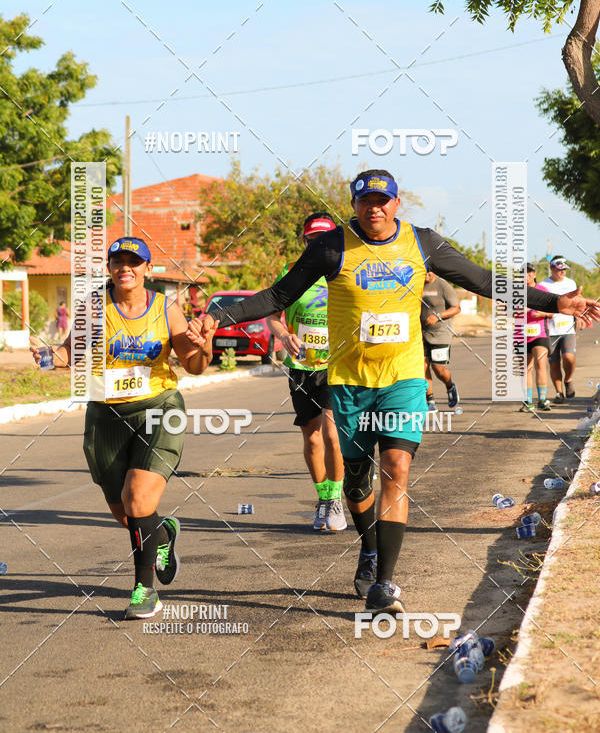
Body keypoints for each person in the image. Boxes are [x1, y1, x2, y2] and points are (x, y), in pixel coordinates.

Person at [187, 170, 599, 616]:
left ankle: (385, 583)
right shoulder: (330, 248)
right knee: (356, 481)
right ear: (355, 205)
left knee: (396, 468)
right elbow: (277, 296)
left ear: (397, 204)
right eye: (365, 201)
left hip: (403, 377)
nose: (374, 208)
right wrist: (219, 316)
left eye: (383, 200)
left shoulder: (422, 243)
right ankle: (369, 546)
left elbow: (482, 280)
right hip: (348, 380)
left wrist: (553, 302)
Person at [31, 237, 214, 620]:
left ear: (148, 269)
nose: (125, 268)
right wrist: (48, 356)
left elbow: (194, 365)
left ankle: (144, 590)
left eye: (134, 262)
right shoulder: (94, 308)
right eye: (118, 261)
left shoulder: (167, 309)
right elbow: (69, 353)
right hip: (106, 418)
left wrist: (205, 347)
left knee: (138, 501)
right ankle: (162, 534)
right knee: (125, 513)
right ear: (110, 267)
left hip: (159, 410)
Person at [266, 212, 346, 533]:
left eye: (324, 239)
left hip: (336, 365)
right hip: (300, 367)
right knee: (312, 438)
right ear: (304, 242)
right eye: (312, 240)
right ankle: (323, 499)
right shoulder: (291, 273)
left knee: (331, 433)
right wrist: (284, 335)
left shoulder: (344, 271)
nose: (318, 245)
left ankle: (337, 499)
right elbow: (272, 315)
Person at [420, 271, 461, 411]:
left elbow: (456, 308)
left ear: (432, 272)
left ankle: (450, 386)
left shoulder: (443, 285)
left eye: (427, 271)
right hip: (421, 333)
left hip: (440, 334)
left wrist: (438, 316)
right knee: (422, 367)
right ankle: (430, 401)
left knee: (438, 369)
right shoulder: (417, 285)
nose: (425, 274)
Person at [541, 256, 579, 402]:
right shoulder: (544, 285)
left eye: (564, 269)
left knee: (569, 358)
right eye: (559, 269)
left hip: (568, 328)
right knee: (554, 362)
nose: (562, 272)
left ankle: (568, 380)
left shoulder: (571, 283)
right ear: (552, 268)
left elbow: (576, 303)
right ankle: (558, 392)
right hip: (550, 329)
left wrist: (579, 318)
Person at [519, 263, 554, 413]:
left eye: (529, 273)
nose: (526, 276)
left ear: (534, 274)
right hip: (521, 334)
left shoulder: (542, 290)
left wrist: (540, 314)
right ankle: (528, 402)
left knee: (540, 365)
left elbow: (553, 312)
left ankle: (542, 400)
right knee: (525, 369)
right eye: (523, 274)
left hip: (540, 334)